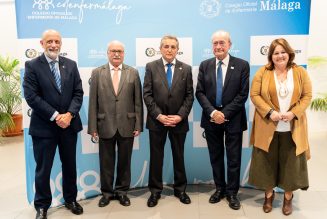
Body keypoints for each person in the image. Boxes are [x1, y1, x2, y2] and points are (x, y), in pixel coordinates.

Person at [23, 29, 84, 219]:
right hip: (44, 128)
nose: (54, 45)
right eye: (49, 41)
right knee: (43, 168)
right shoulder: (32, 65)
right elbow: (31, 96)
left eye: (57, 41)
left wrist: (70, 114)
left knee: (70, 165)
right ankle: (41, 205)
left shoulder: (71, 65)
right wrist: (57, 116)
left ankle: (70, 199)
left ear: (61, 43)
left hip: (69, 126)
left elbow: (78, 93)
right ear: (42, 43)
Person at [248, 38, 312, 215]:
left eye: (283, 52)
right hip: (268, 126)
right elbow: (254, 95)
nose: (280, 56)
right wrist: (270, 112)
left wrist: (293, 113)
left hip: (293, 128)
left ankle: (288, 198)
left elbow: (307, 96)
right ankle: (269, 196)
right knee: (267, 163)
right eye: (276, 53)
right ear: (271, 56)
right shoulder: (263, 72)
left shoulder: (300, 72)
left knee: (290, 165)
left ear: (289, 53)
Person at [195, 30, 249, 210]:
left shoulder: (242, 65)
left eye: (222, 43)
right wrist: (212, 113)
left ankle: (232, 192)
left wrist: (224, 114)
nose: (218, 46)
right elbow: (200, 93)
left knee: (234, 158)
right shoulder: (205, 65)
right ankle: (219, 188)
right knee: (215, 156)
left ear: (229, 45)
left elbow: (242, 95)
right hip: (211, 120)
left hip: (233, 119)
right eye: (215, 43)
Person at [88, 40, 143, 207]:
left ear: (124, 53)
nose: (116, 54)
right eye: (113, 51)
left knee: (125, 162)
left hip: (127, 124)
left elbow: (138, 102)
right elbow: (93, 102)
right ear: (107, 53)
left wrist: (138, 124)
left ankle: (122, 192)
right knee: (106, 162)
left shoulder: (133, 72)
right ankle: (106, 193)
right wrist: (92, 127)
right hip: (105, 125)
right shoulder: (97, 73)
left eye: (119, 51)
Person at [143, 35, 194, 207]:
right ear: (160, 48)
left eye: (173, 47)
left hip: (179, 121)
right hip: (157, 121)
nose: (170, 50)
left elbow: (189, 96)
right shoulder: (151, 67)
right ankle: (155, 192)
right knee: (156, 157)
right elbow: (147, 94)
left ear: (177, 49)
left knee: (179, 156)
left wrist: (180, 116)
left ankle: (180, 190)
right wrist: (159, 115)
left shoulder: (186, 69)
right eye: (166, 46)